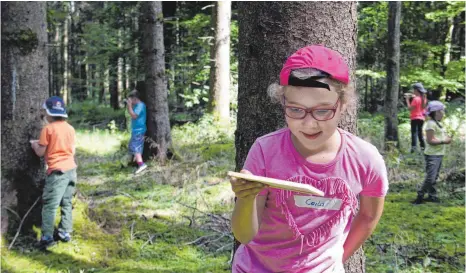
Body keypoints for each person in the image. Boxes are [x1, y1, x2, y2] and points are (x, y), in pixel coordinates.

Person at [230, 45, 388, 272]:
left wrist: (337, 259)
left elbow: (369, 215)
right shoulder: (265, 150)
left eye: (323, 111)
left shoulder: (365, 160)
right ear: (283, 103)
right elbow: (244, 235)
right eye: (295, 110)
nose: (309, 123)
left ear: (342, 105)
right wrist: (245, 198)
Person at [30, 96, 77, 250]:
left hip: (57, 172)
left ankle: (47, 237)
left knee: (50, 205)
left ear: (49, 114)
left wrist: (33, 145)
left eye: (45, 112)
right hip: (71, 169)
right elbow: (72, 149)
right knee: (67, 202)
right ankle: (65, 232)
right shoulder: (70, 128)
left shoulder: (48, 129)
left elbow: (40, 152)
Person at [412, 101, 451, 204]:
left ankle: (432, 196)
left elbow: (438, 137)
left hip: (439, 154)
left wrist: (446, 138)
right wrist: (444, 141)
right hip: (432, 155)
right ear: (436, 112)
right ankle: (420, 196)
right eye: (442, 111)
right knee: (431, 177)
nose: (443, 113)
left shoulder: (438, 123)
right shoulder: (430, 124)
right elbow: (430, 140)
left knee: (434, 177)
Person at [126, 90, 147, 174]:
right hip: (136, 130)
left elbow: (134, 116)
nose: (130, 102)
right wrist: (130, 106)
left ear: (135, 98)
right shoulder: (136, 105)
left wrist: (129, 106)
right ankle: (137, 160)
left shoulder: (140, 106)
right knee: (132, 146)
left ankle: (141, 164)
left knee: (136, 147)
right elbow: (130, 113)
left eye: (131, 100)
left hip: (139, 130)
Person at [405, 83, 428, 153]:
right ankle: (423, 148)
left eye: (414, 90)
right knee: (420, 133)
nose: (413, 91)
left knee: (414, 134)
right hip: (422, 118)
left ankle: (413, 149)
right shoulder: (423, 98)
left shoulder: (416, 99)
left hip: (414, 118)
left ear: (416, 90)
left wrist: (407, 100)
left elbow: (410, 108)